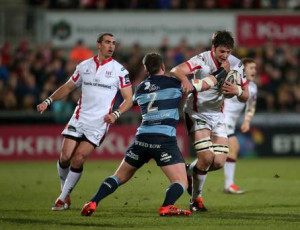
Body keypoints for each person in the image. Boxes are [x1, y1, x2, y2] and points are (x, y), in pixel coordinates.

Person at [80, 52, 226, 217]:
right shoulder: (175, 83)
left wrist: (115, 114)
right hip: (163, 140)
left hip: (141, 138)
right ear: (163, 67)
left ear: (146, 69)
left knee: (118, 177)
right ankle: (166, 206)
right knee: (181, 182)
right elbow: (204, 85)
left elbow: (129, 102)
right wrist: (221, 72)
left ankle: (92, 201)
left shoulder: (140, 88)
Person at [37, 32, 133, 211]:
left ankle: (62, 198)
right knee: (65, 157)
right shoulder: (84, 66)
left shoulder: (120, 71)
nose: (111, 46)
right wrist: (47, 101)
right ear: (98, 45)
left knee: (78, 158)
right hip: (79, 117)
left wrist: (116, 115)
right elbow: (68, 86)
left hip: (99, 123)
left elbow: (129, 98)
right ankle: (64, 189)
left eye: (113, 43)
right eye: (107, 42)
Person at [170, 30, 249, 212]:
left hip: (218, 116)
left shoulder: (237, 65)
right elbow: (176, 70)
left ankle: (189, 170)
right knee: (206, 157)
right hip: (196, 113)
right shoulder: (202, 60)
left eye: (228, 51)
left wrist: (237, 91)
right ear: (213, 48)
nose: (225, 55)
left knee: (219, 162)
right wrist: (186, 81)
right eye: (222, 51)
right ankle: (196, 199)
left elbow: (246, 95)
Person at [223, 57, 257, 194]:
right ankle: (229, 185)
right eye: (251, 68)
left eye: (255, 68)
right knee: (233, 146)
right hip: (222, 118)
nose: (254, 70)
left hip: (231, 122)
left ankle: (191, 170)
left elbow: (251, 106)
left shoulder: (253, 87)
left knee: (213, 155)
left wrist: (247, 121)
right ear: (243, 70)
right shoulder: (234, 80)